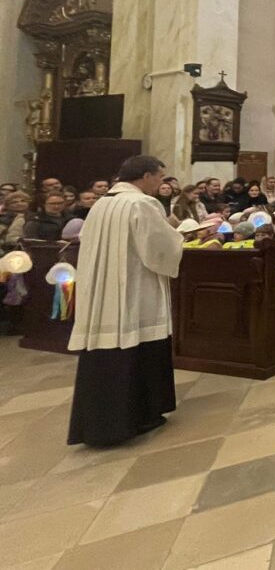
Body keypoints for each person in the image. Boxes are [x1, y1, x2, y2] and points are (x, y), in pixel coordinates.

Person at [67, 155, 184, 447]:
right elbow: (158, 248)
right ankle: (141, 416)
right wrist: (177, 234)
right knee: (137, 343)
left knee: (105, 350)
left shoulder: (101, 204)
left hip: (102, 291)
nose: (161, 183)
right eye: (160, 177)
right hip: (134, 289)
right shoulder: (142, 203)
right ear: (145, 176)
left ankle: (99, 425)